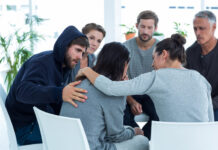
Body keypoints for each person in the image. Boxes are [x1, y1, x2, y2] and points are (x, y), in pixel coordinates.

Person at [77, 34, 214, 126]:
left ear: (164, 54)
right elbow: (210, 120)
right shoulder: (201, 79)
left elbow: (110, 88)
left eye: (154, 58)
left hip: (173, 143)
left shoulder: (156, 77)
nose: (152, 64)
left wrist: (87, 70)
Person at [5, 26, 89, 145]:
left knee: (82, 131)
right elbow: (22, 92)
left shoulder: (63, 66)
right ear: (65, 46)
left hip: (37, 121)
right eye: (78, 50)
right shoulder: (42, 63)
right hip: (25, 128)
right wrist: (60, 93)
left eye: (83, 53)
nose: (80, 57)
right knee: (74, 139)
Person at [60, 42, 149, 150]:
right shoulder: (115, 91)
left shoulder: (80, 82)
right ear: (124, 64)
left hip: (65, 145)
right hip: (93, 147)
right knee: (143, 141)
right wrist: (134, 131)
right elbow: (116, 136)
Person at [123, 10, 160, 139]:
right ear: (136, 26)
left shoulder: (161, 49)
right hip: (130, 91)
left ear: (155, 28)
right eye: (142, 26)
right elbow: (120, 80)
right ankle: (135, 141)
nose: (145, 31)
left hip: (153, 93)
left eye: (149, 27)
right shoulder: (125, 47)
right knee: (122, 116)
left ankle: (148, 143)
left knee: (159, 117)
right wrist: (131, 100)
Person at [185, 10, 218, 121]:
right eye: (195, 28)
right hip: (195, 106)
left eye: (202, 28)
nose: (197, 33)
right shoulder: (190, 52)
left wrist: (207, 107)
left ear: (214, 27)